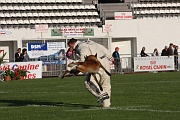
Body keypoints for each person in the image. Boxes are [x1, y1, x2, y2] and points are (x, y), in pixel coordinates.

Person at [67, 38, 114, 108]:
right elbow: (102, 47)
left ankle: (102, 94)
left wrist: (78, 69)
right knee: (106, 84)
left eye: (70, 47)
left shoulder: (80, 46)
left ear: (71, 44)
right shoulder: (90, 42)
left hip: (96, 63)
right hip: (105, 61)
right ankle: (106, 105)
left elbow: (84, 55)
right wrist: (110, 57)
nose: (71, 49)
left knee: (89, 82)